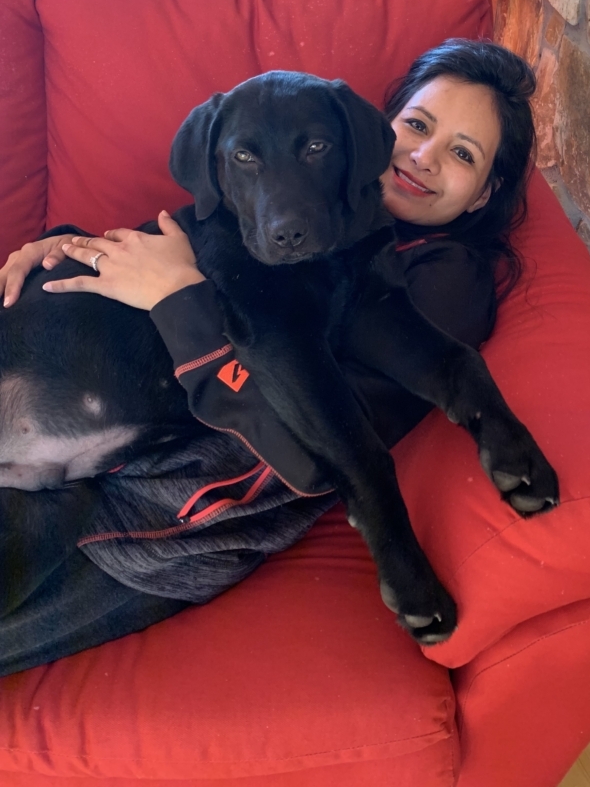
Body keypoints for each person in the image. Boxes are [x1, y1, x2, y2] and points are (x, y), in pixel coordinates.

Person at [0, 39, 536, 675]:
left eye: (463, 153)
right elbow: (157, 259)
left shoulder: (444, 278)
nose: (422, 156)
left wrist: (177, 297)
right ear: (381, 135)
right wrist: (64, 244)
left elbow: (306, 435)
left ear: (485, 193)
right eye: (417, 126)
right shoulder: (342, 231)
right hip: (60, 409)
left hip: (154, 519)